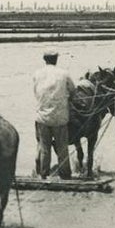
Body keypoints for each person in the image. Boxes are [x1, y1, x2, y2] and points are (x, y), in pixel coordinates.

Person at [32, 49, 76, 179]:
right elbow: (73, 91)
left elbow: (36, 92)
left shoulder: (37, 74)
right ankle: (65, 175)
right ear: (56, 59)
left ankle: (43, 175)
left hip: (42, 117)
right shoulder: (64, 74)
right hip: (60, 117)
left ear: (44, 59)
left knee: (44, 147)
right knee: (62, 147)